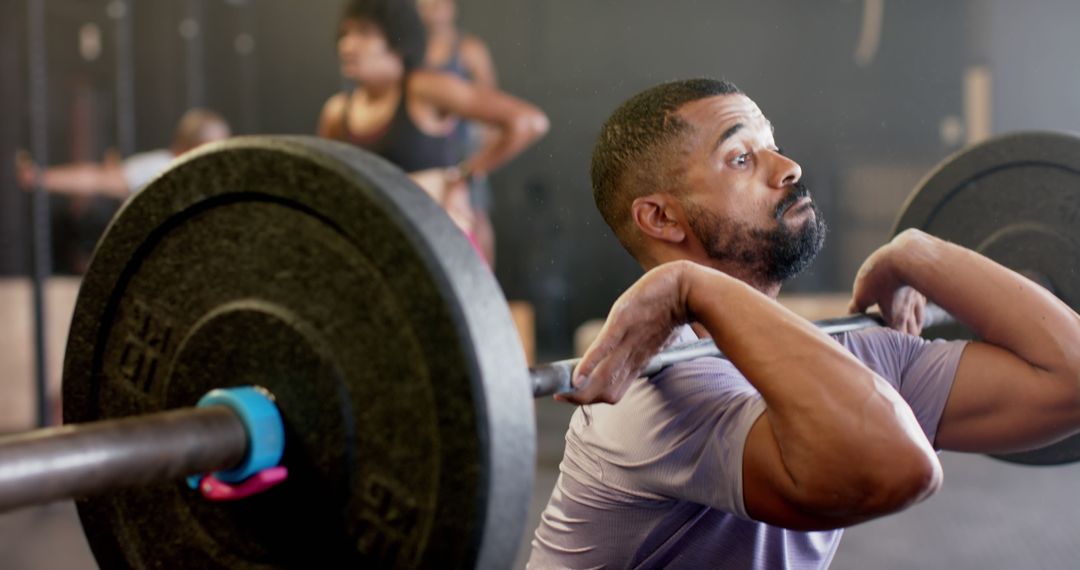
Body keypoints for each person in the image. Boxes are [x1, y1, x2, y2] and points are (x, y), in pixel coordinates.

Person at [528, 78, 1080, 568]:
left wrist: (920, 254)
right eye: (741, 158)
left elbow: (1070, 378)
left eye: (774, 145)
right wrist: (692, 286)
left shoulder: (849, 355)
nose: (788, 167)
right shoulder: (652, 396)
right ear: (662, 217)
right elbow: (894, 470)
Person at [317, 0, 548, 264]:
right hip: (376, 256)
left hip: (436, 254)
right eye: (345, 34)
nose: (347, 45)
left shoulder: (425, 90)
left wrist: (463, 175)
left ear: (396, 40)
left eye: (364, 33)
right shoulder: (336, 113)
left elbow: (529, 122)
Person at [416, 0, 499, 264]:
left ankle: (485, 286)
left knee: (476, 212)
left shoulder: (468, 49)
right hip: (428, 144)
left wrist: (486, 153)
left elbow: (491, 103)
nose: (434, 7)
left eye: (440, 2)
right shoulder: (411, 51)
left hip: (464, 147)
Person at [15, 108, 231, 198]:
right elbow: (97, 179)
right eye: (217, 147)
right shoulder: (159, 167)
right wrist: (42, 178)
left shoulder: (209, 180)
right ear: (198, 147)